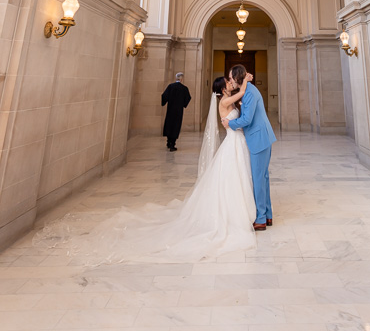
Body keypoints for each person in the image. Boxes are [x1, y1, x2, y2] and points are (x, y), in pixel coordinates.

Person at [34, 71, 257, 263]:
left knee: (233, 177)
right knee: (228, 177)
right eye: (227, 82)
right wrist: (245, 81)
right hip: (231, 143)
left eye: (230, 81)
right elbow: (240, 94)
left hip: (235, 143)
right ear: (222, 89)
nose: (230, 83)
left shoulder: (228, 101)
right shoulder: (224, 102)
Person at [222, 63, 276, 231]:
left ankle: (260, 218)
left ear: (238, 78)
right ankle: (267, 215)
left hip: (259, 139)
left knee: (259, 179)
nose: (230, 81)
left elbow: (247, 119)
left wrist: (230, 123)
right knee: (263, 177)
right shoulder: (247, 91)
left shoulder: (250, 93)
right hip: (261, 138)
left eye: (231, 78)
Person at [161, 72, 191, 151]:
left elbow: (164, 96)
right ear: (182, 79)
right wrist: (183, 104)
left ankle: (168, 141)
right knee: (176, 126)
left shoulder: (170, 86)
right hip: (178, 111)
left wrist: (164, 102)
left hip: (170, 110)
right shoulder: (184, 88)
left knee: (169, 124)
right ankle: (172, 144)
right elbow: (188, 98)